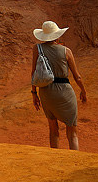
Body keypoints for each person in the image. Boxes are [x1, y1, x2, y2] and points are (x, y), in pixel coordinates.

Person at [30, 20, 87, 150]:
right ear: (57, 35)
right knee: (72, 132)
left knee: (53, 128)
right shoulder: (66, 51)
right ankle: (74, 160)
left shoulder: (37, 49)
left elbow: (33, 73)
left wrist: (34, 93)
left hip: (46, 92)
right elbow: (77, 76)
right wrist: (83, 91)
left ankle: (54, 158)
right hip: (64, 92)